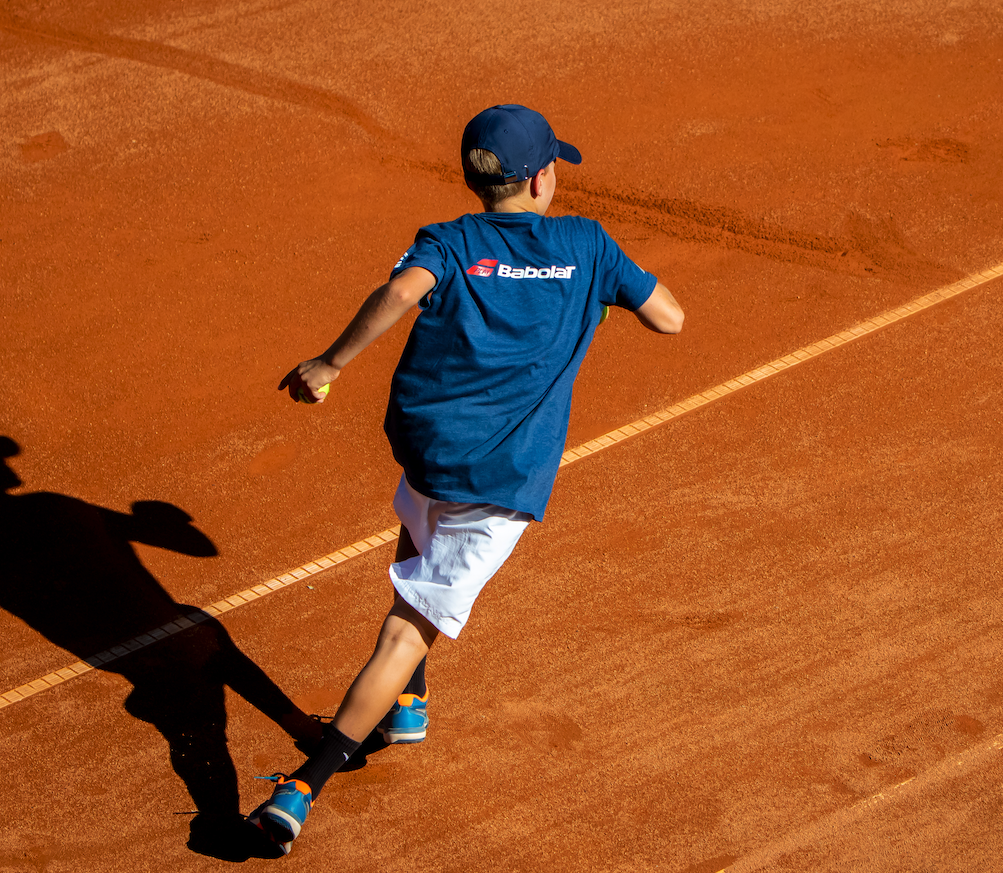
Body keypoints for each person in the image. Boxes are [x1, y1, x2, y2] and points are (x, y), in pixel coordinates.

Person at [251, 104, 684, 853]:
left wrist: (328, 364)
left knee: (418, 529)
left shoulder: (446, 240)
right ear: (544, 177)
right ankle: (303, 788)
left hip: (429, 451)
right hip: (498, 486)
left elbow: (398, 294)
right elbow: (669, 319)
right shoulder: (587, 244)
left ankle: (410, 703)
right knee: (405, 628)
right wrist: (605, 287)